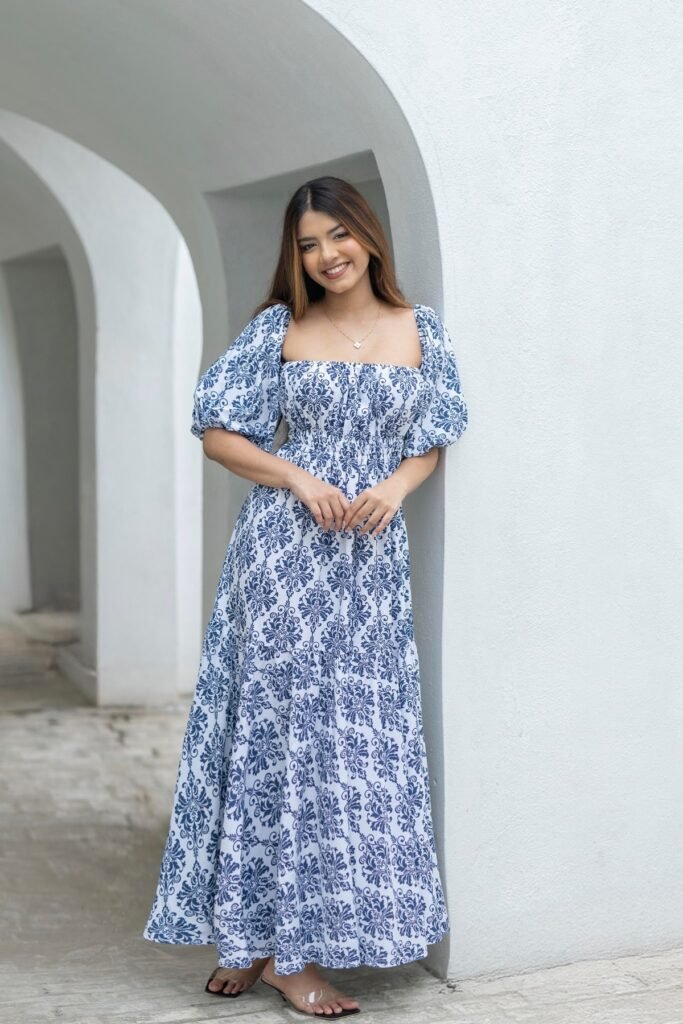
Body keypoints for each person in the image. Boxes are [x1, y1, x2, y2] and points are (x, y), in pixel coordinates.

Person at [143, 175, 468, 1018]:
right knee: (269, 739)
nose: (326, 256)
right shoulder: (279, 330)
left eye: (337, 236)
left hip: (368, 571)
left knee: (345, 754)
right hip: (285, 563)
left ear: (368, 236)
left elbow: (433, 436)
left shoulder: (417, 330)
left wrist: (394, 488)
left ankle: (290, 941)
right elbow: (216, 429)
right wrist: (295, 475)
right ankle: (264, 948)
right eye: (307, 244)